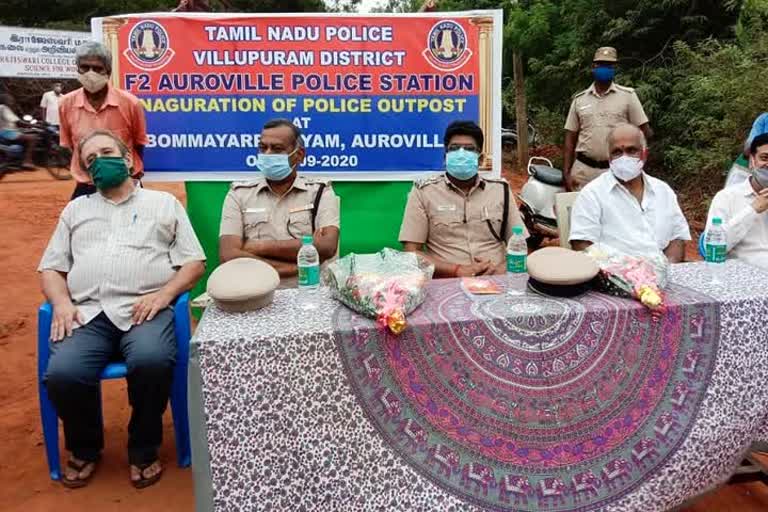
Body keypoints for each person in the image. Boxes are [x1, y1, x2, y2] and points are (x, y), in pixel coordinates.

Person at [39, 129, 206, 489]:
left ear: (128, 159)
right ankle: (85, 447)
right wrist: (62, 302)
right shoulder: (76, 210)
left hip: (145, 310)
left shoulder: (163, 204)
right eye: (90, 160)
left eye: (106, 153)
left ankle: (144, 448)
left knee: (152, 361)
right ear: (85, 171)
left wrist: (164, 295)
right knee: (63, 374)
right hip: (88, 314)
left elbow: (193, 262)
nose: (100, 162)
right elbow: (52, 267)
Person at [218, 118, 340, 287]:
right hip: (255, 289)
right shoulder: (239, 194)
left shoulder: (319, 192)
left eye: (277, 149)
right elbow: (228, 254)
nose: (267, 154)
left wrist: (256, 247)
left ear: (299, 155)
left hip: (309, 291)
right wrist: (295, 265)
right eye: (263, 148)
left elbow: (327, 247)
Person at [399, 120, 527, 277]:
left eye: (469, 149)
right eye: (454, 148)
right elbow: (412, 253)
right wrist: (457, 270)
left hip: (497, 280)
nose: (461, 153)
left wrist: (501, 270)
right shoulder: (423, 192)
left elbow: (520, 245)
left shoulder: (501, 190)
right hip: (447, 283)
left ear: (480, 159)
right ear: (445, 156)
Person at [569, 124, 690, 263]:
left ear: (644, 154)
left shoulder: (663, 191)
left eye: (631, 150)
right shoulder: (592, 194)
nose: (624, 157)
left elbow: (677, 238)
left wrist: (667, 268)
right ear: (609, 158)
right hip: (616, 277)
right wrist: (618, 272)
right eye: (617, 152)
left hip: (662, 277)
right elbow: (582, 244)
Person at [59, 42, 148, 200]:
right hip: (87, 185)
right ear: (77, 69)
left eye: (97, 68)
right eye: (84, 67)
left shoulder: (130, 103)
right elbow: (72, 147)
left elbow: (139, 143)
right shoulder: (66, 104)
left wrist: (128, 171)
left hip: (125, 182)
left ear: (108, 71)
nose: (90, 73)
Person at [563, 47, 652, 191]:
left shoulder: (628, 96)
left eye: (608, 65)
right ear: (593, 67)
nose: (604, 68)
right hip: (583, 172)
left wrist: (635, 166)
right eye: (601, 64)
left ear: (614, 68)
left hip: (617, 170)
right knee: (582, 212)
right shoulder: (580, 100)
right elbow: (570, 138)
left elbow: (644, 132)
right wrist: (566, 172)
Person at [706, 133, 768, 271]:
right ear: (752, 161)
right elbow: (713, 247)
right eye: (764, 158)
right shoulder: (727, 197)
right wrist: (753, 209)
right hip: (745, 276)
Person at [0, 93, 38, 169]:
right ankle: (27, 161)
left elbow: (13, 123)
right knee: (33, 138)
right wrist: (34, 125)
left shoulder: (4, 108)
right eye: (9, 98)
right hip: (7, 132)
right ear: (4, 100)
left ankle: (18, 158)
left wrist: (22, 129)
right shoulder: (3, 107)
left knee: (25, 135)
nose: (11, 100)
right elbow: (17, 121)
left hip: (7, 131)